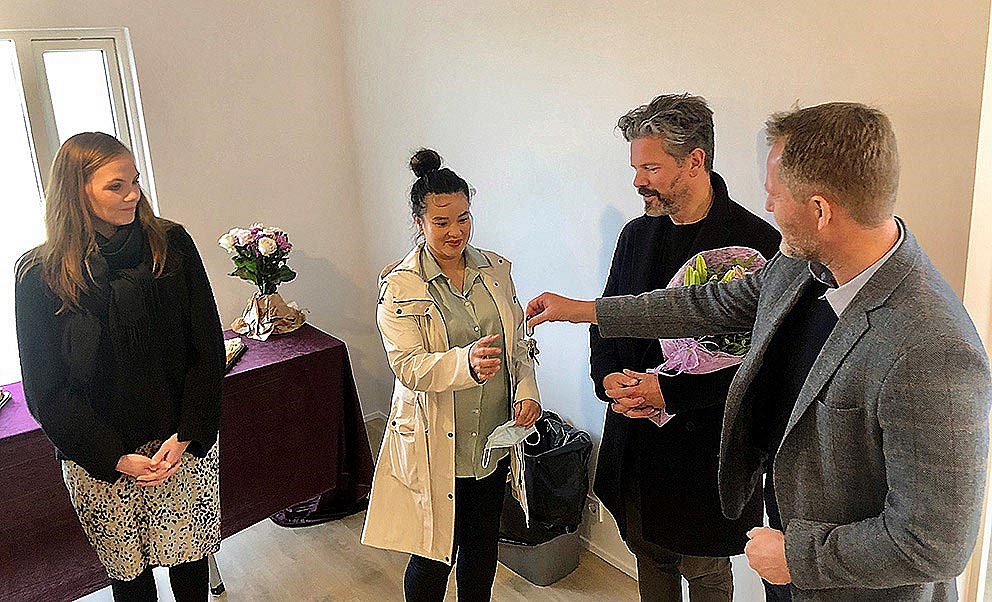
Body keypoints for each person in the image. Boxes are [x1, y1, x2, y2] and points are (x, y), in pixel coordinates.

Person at [525, 102, 992, 601]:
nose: (767, 206)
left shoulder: (933, 347)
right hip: (786, 565)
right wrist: (585, 311)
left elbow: (934, 545)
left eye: (775, 194)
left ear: (820, 210)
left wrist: (796, 556)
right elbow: (706, 303)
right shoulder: (799, 268)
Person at [14, 132, 226, 601]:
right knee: (130, 578)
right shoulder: (39, 274)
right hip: (100, 456)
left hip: (179, 443)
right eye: (116, 186)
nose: (132, 195)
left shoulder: (171, 243)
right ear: (76, 190)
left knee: (190, 564)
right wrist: (114, 457)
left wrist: (187, 434)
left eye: (135, 181)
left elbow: (207, 347)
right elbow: (46, 390)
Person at [590, 93, 779, 602]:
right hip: (636, 444)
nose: (638, 181)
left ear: (695, 161)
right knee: (649, 556)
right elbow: (607, 320)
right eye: (636, 167)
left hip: (704, 455)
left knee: (707, 572)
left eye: (651, 167)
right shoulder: (635, 235)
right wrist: (609, 379)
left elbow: (760, 369)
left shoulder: (757, 243)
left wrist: (669, 394)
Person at [362, 149, 541, 601]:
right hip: (437, 441)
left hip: (492, 440)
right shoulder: (400, 286)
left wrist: (527, 390)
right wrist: (466, 364)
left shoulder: (496, 270)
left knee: (482, 548)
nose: (455, 231)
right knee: (433, 556)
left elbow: (517, 344)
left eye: (463, 218)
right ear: (419, 222)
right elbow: (407, 365)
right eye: (441, 222)